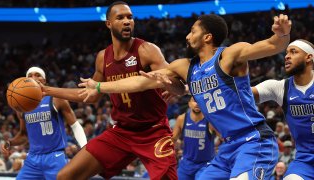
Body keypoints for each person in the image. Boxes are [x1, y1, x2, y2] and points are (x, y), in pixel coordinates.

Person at [78, 13, 292, 179]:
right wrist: (99, 86)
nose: (187, 36)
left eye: (192, 31)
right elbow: (141, 82)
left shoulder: (228, 56)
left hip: (254, 140)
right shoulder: (184, 67)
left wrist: (282, 34)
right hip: (227, 147)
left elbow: (272, 45)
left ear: (207, 37)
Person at [41, 1, 178, 179]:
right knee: (65, 176)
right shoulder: (102, 58)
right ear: (109, 23)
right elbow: (89, 96)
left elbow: (174, 78)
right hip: (122, 132)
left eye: (130, 17)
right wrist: (46, 90)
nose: (127, 21)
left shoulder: (147, 50)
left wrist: (171, 86)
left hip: (153, 131)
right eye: (120, 18)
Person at [0, 67, 87, 180]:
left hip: (55, 157)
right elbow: (24, 135)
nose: (34, 78)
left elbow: (75, 125)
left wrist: (85, 147)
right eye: (30, 76)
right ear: (25, 81)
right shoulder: (22, 106)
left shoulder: (56, 98)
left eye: (38, 75)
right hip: (33, 159)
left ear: (44, 81)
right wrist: (9, 143)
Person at [252, 39, 314, 180]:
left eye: (293, 52)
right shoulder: (280, 87)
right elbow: (243, 94)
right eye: (286, 53)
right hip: (305, 161)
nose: (286, 56)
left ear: (309, 57)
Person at [172, 96, 215, 180]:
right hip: (186, 163)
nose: (197, 104)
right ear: (189, 104)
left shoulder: (210, 120)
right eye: (194, 101)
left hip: (205, 164)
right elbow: (172, 139)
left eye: (200, 101)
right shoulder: (182, 119)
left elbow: (224, 138)